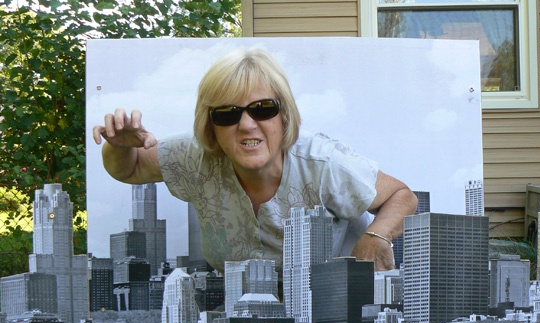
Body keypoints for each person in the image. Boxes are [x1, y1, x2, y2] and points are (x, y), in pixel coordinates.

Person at [93, 47, 417, 275]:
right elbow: (130, 167)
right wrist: (119, 146)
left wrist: (376, 236)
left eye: (263, 108)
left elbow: (402, 196)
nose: (247, 125)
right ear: (210, 126)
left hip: (330, 302)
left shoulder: (323, 164)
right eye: (227, 114)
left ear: (284, 115)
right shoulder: (192, 158)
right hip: (246, 311)